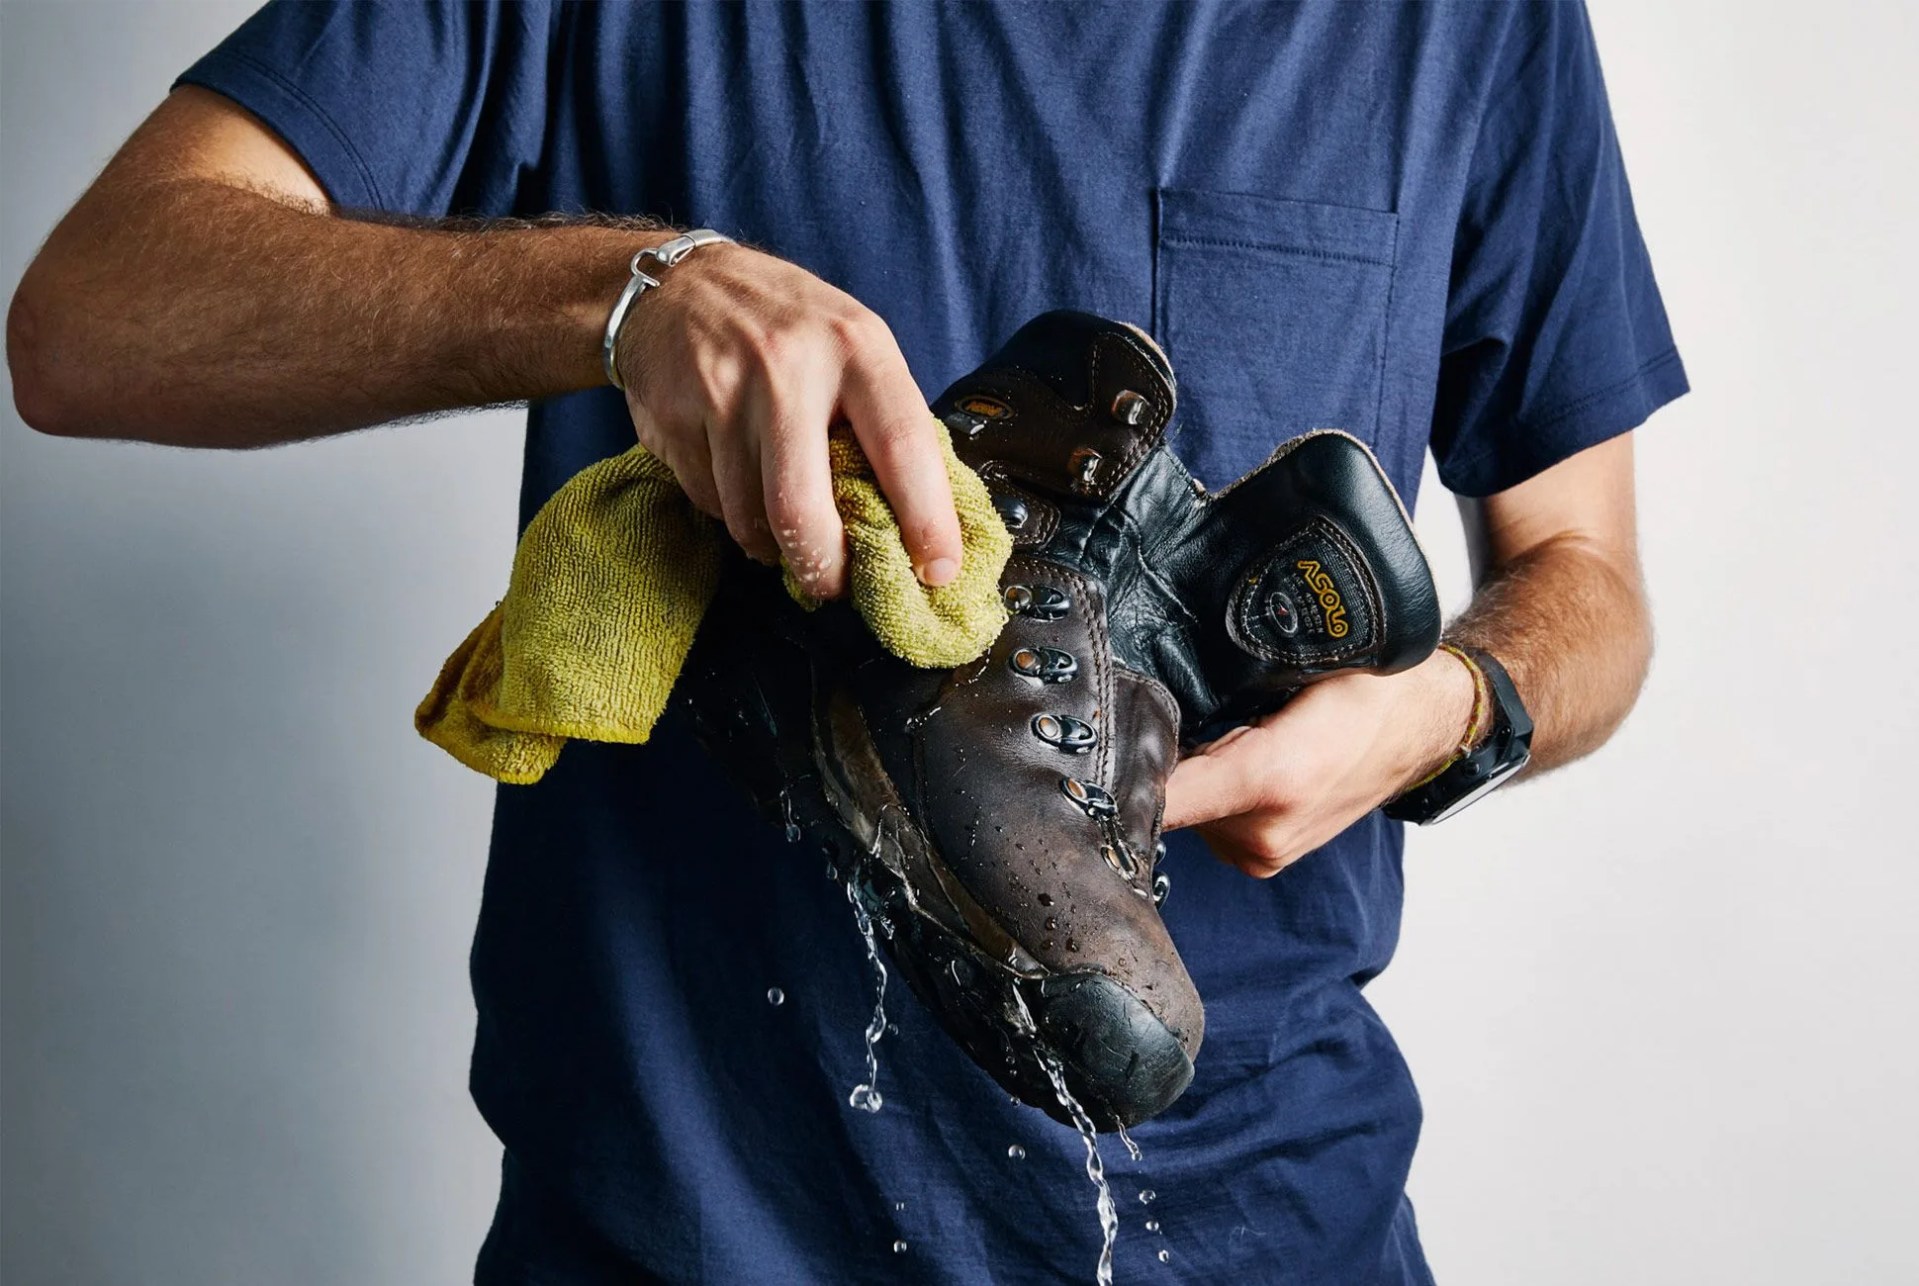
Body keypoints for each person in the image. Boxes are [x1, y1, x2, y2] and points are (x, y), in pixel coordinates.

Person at [5, 2, 1685, 1281]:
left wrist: (1441, 713)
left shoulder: (1467, 23)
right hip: (683, 1228)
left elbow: (1586, 573)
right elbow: (92, 315)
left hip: (1269, 1219)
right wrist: (630, 291)